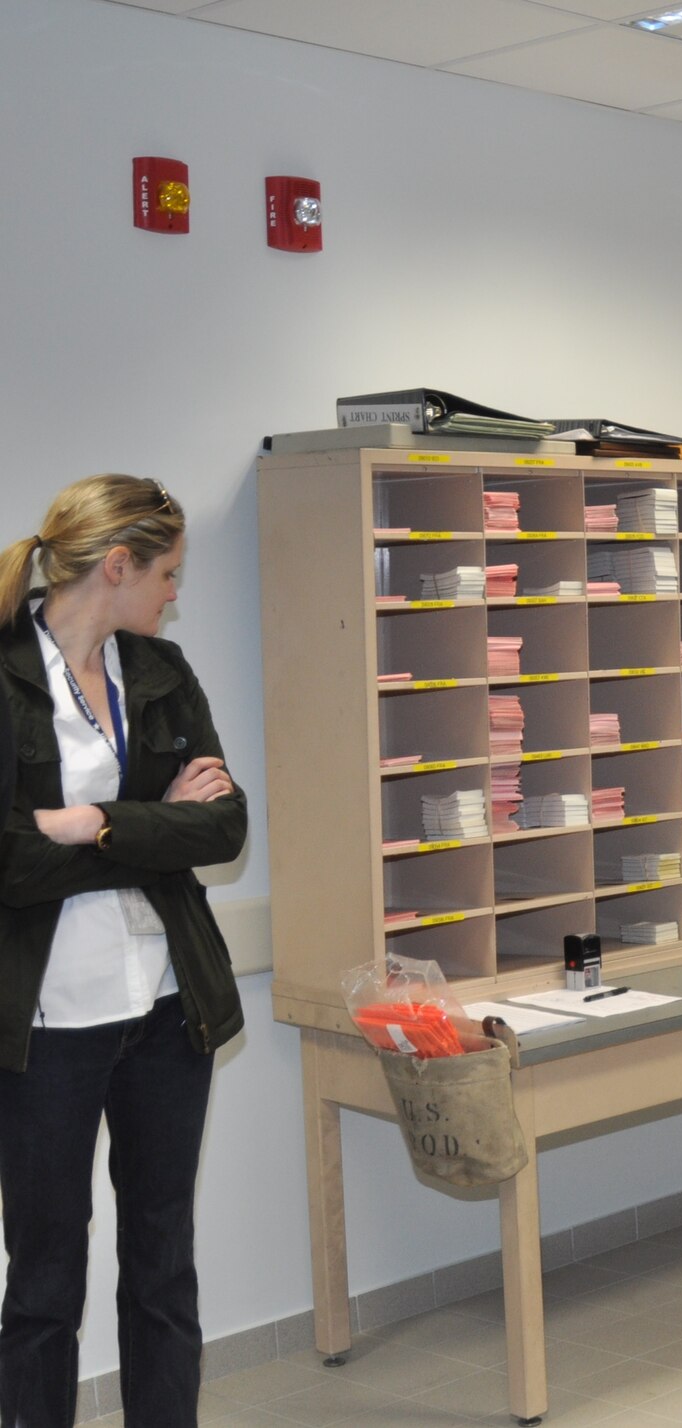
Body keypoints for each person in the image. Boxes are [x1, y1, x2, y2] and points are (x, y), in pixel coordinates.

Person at [0, 474, 245, 1426]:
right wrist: (149, 829)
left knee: (162, 1267)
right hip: (48, 1026)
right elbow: (11, 860)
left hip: (165, 1012)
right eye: (168, 573)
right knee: (45, 1283)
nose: (175, 593)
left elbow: (223, 825)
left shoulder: (160, 672)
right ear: (117, 566)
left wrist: (90, 823)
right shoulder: (8, 673)